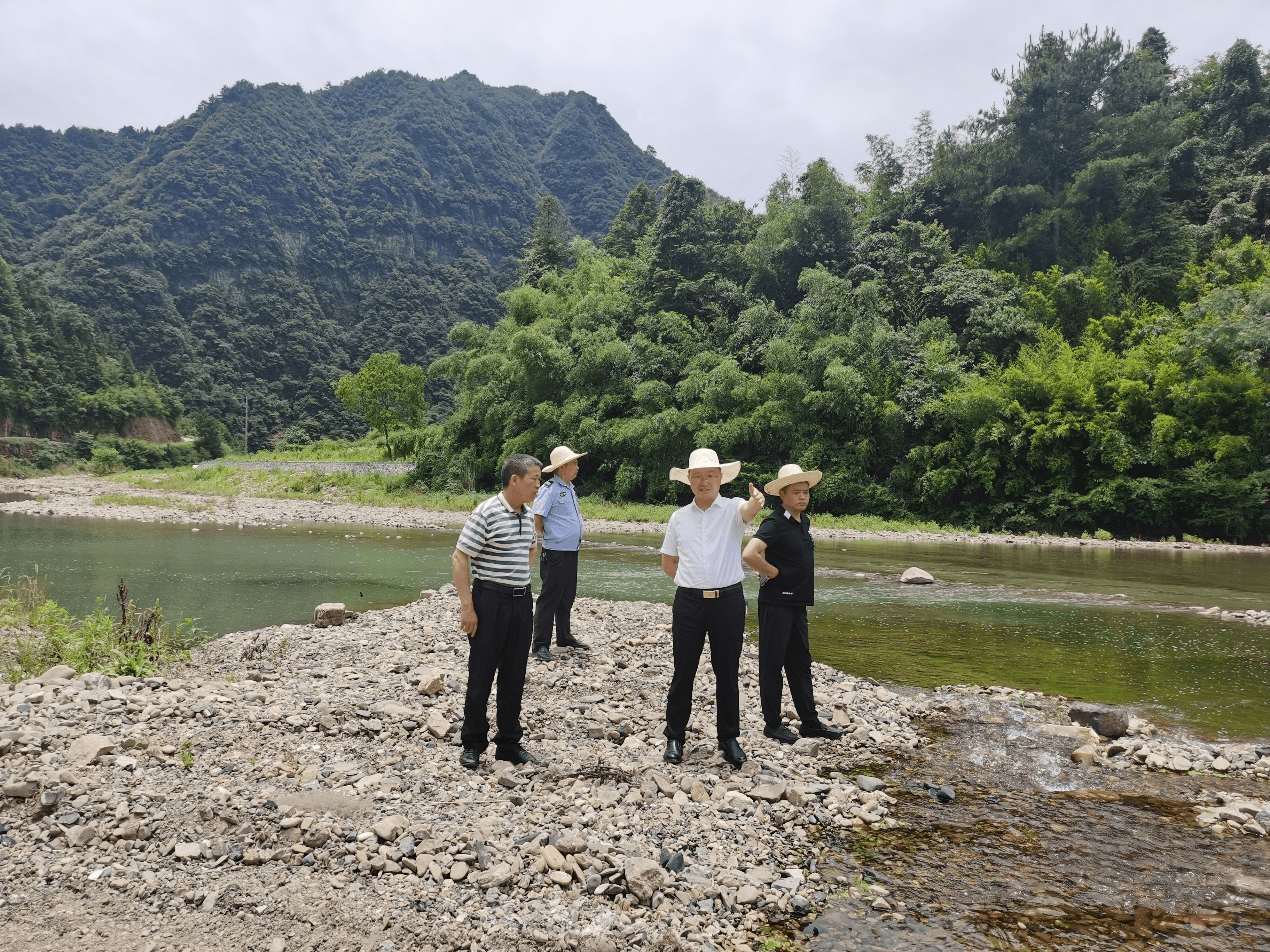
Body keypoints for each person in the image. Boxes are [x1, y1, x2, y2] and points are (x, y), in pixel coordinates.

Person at [660, 447, 765, 768]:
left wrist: (757, 503)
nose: (704, 482)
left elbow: (749, 511)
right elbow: (668, 562)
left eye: (710, 476)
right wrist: (692, 582)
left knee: (727, 672)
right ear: (689, 480)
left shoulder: (733, 509)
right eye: (697, 476)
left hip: (729, 601)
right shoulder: (678, 517)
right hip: (689, 603)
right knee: (684, 671)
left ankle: (729, 738)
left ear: (720, 478)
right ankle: (675, 736)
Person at [451, 454, 544, 770]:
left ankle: (508, 743)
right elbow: (459, 558)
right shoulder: (486, 512)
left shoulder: (528, 514)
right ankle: (474, 742)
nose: (538, 485)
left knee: (514, 674)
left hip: (521, 601)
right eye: (534, 478)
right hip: (489, 601)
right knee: (481, 673)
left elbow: (533, 548)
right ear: (515, 480)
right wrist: (468, 607)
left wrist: (519, 573)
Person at [742, 463, 844, 744]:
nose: (802, 497)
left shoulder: (804, 522)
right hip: (776, 603)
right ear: (782, 495)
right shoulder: (774, 523)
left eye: (805, 492)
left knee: (800, 663)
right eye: (796, 492)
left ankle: (810, 722)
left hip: (798, 603)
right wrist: (771, 572)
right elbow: (749, 553)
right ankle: (772, 724)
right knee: (772, 664)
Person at [531, 445, 589, 661]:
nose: (577, 467)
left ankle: (564, 636)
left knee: (567, 596)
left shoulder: (570, 488)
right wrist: (548, 539)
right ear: (563, 467)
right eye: (574, 463)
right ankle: (540, 644)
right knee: (549, 599)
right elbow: (538, 518)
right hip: (555, 552)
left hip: (571, 552)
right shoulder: (550, 489)